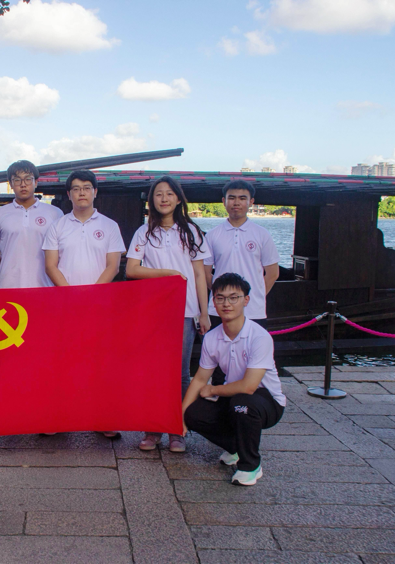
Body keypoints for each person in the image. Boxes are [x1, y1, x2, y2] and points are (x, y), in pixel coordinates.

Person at [126, 176, 211, 453]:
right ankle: (152, 429)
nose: (164, 198)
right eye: (159, 194)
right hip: (153, 311)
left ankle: (177, 429)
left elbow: (199, 274)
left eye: (169, 193)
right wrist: (167, 274)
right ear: (152, 200)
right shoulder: (144, 232)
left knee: (181, 372)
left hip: (185, 311)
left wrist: (204, 312)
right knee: (153, 371)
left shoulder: (191, 231)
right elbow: (132, 270)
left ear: (178, 198)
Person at [43, 169, 125, 439]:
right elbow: (51, 265)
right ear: (69, 194)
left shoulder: (110, 226)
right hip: (64, 305)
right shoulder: (57, 226)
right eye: (76, 188)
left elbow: (113, 266)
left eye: (87, 188)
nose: (82, 193)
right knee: (62, 362)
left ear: (95, 192)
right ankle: (59, 416)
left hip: (100, 305)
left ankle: (103, 417)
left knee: (100, 362)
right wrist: (71, 296)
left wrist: (91, 296)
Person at [182, 273, 286, 486]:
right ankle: (236, 447)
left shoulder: (259, 337)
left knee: (242, 403)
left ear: (246, 300)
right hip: (233, 397)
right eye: (220, 298)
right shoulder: (212, 337)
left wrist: (213, 390)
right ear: (213, 302)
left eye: (233, 298)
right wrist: (181, 415)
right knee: (194, 413)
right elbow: (200, 378)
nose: (226, 304)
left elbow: (249, 386)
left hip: (266, 401)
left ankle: (250, 465)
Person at [204, 180, 279, 330]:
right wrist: (222, 295)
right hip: (218, 310)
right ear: (224, 201)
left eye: (242, 198)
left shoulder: (262, 234)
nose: (236, 202)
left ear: (251, 202)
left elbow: (272, 273)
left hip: (253, 311)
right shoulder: (212, 235)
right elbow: (205, 273)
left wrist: (254, 295)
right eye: (231, 198)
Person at [0, 160, 63, 289]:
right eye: (17, 180)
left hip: (45, 286)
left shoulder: (55, 213)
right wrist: (7, 270)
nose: (23, 185)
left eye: (28, 179)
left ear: (36, 182)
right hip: (9, 286)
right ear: (11, 184)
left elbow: (62, 251)